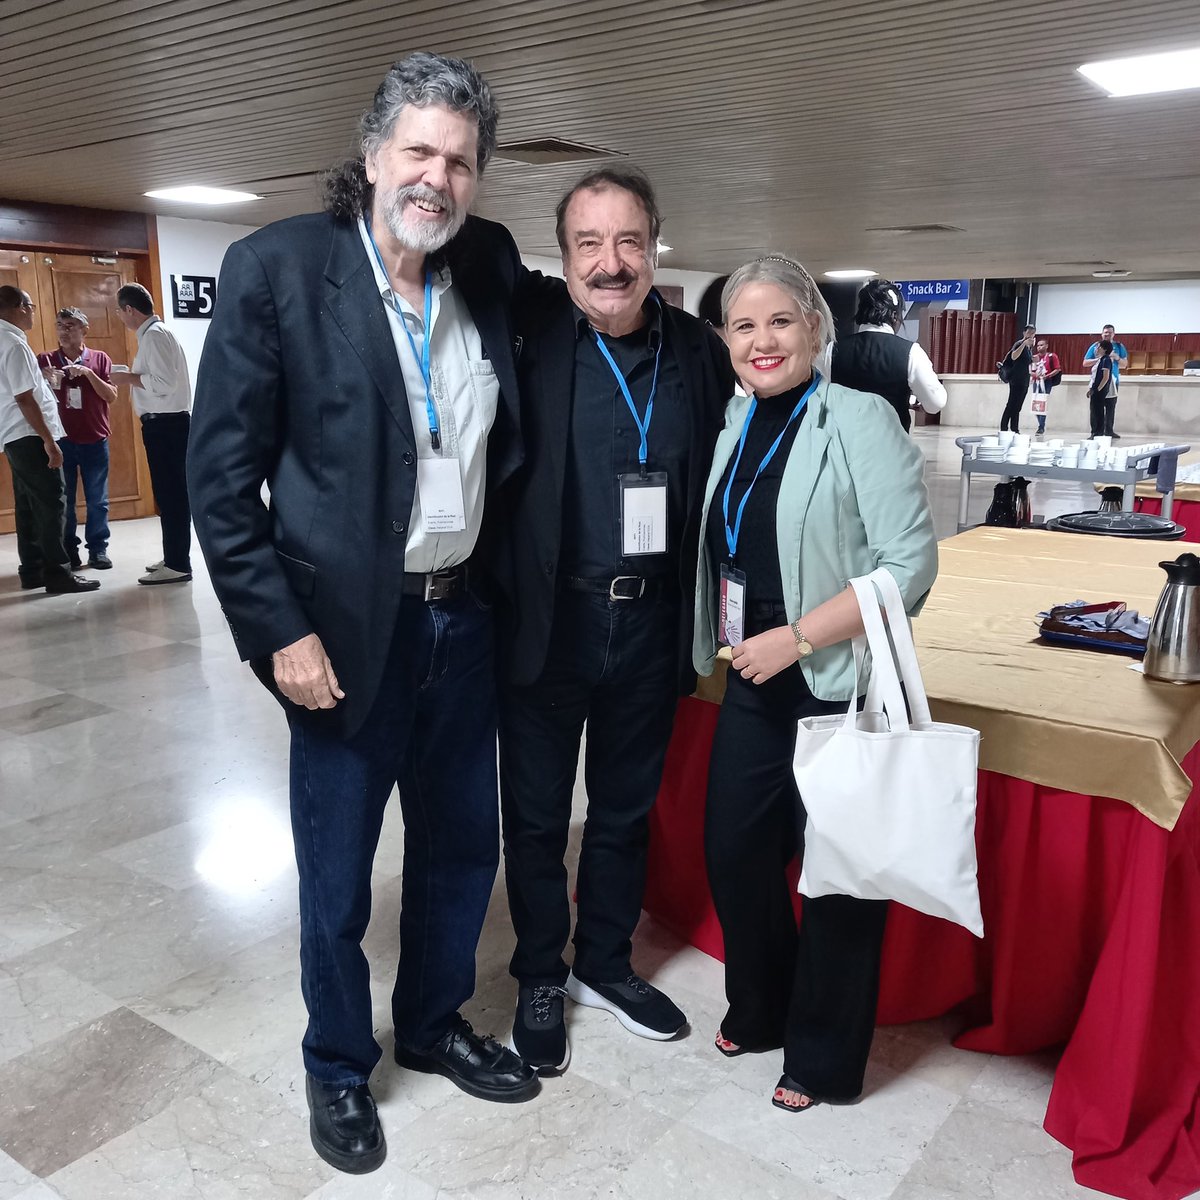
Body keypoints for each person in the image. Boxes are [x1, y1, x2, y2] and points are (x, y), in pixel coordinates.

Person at [188, 51, 536, 1176]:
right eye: (420, 152)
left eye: (461, 161)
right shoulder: (277, 269)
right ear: (375, 154)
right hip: (341, 634)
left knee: (456, 853)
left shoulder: (484, 263)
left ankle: (432, 1028)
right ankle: (337, 1064)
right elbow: (219, 482)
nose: (438, 178)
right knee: (338, 875)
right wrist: (279, 631)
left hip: (462, 619)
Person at [496, 167, 734, 1075]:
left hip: (651, 624)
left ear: (655, 246)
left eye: (628, 240)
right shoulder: (532, 338)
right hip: (549, 623)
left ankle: (602, 961)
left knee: (626, 810)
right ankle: (539, 975)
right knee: (536, 815)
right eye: (588, 244)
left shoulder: (699, 354)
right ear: (561, 259)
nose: (610, 262)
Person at [693, 255, 937, 1114]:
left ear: (815, 329)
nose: (762, 341)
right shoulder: (733, 420)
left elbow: (909, 565)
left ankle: (824, 1057)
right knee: (735, 849)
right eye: (742, 325)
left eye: (780, 322)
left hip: (836, 678)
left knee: (836, 876)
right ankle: (761, 1009)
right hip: (754, 675)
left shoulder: (860, 418)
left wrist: (795, 640)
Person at [0, 287, 99, 594]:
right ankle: (58, 573)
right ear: (18, 307)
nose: (33, 311)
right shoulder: (14, 344)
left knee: (28, 505)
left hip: (15, 434)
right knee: (51, 501)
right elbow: (24, 398)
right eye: (30, 306)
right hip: (29, 434)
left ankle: (32, 569)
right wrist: (48, 440)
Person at [112, 283, 193, 584]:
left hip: (167, 425)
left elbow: (163, 384)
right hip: (166, 425)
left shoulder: (155, 336)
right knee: (168, 494)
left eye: (120, 311)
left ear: (129, 309)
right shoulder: (154, 335)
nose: (120, 316)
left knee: (172, 495)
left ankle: (178, 564)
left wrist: (126, 377)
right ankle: (174, 556)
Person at [37, 307, 116, 569]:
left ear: (85, 330)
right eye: (60, 325)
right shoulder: (46, 360)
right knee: (65, 500)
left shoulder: (100, 358)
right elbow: (32, 397)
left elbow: (111, 396)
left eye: (70, 325)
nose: (64, 331)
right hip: (62, 441)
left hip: (95, 439)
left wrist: (88, 374)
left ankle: (98, 550)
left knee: (98, 500)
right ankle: (69, 549)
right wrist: (44, 380)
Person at [830, 278, 946, 431]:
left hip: (843, 448)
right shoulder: (910, 352)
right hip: (892, 449)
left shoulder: (833, 350)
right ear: (894, 316)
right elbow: (935, 404)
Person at [1083, 324, 1127, 438]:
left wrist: (1116, 357)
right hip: (1097, 380)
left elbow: (1125, 364)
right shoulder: (1095, 346)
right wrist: (1098, 359)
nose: (1107, 334)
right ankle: (1095, 431)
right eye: (1105, 332)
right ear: (1102, 333)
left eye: (1110, 332)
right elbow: (1085, 362)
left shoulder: (1119, 346)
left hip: (1112, 381)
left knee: (1110, 407)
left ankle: (1108, 431)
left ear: (1114, 334)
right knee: (1095, 407)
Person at [999, 324, 1036, 433]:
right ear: (1024, 333)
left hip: (1024, 380)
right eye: (1029, 333)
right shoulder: (1019, 344)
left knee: (1018, 406)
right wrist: (1024, 344)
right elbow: (1014, 356)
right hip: (1016, 379)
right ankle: (1004, 428)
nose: (1031, 335)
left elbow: (1025, 362)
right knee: (1011, 404)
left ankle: (1015, 428)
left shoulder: (1029, 348)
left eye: (1033, 333)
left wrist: (1034, 359)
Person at [1030, 337, 1061, 436]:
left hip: (1047, 382)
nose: (1039, 347)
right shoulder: (1034, 357)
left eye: (1041, 345)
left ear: (1046, 346)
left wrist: (1047, 376)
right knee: (1036, 404)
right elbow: (1031, 370)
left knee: (1043, 403)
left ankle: (1041, 427)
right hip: (1037, 382)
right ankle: (1040, 424)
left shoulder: (1052, 356)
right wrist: (1034, 375)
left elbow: (1057, 369)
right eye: (1038, 345)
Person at [1088, 338, 1118, 438]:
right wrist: (1091, 389)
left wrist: (1098, 389)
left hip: (1099, 390)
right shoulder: (1100, 360)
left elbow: (1105, 377)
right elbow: (1095, 376)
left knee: (1098, 411)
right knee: (1094, 410)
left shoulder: (1106, 359)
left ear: (1104, 349)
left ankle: (1098, 433)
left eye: (1099, 347)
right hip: (1095, 388)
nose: (1096, 349)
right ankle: (1094, 432)